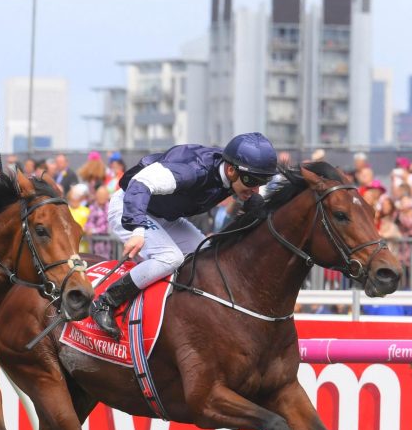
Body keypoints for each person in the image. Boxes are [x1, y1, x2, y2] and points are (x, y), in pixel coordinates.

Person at [90, 132, 278, 340]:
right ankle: (105, 302)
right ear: (231, 170)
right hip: (131, 206)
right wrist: (137, 229)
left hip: (166, 216)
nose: (256, 188)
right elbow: (139, 185)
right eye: (252, 181)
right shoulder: (193, 169)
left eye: (262, 181)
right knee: (170, 258)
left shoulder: (234, 174)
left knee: (209, 256)